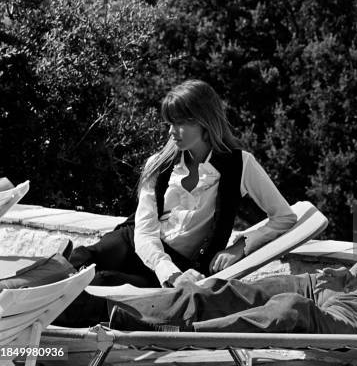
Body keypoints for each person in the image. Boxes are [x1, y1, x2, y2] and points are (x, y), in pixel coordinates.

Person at [106, 144, 357, 334]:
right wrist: (350, 276)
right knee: (229, 289)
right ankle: (125, 318)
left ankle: (175, 338)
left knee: (290, 310)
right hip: (347, 295)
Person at [68, 80, 297, 289]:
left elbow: (284, 216)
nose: (170, 132)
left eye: (178, 123)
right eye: (169, 123)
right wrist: (171, 273)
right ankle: (36, 284)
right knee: (81, 260)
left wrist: (239, 247)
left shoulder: (240, 164)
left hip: (179, 267)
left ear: (204, 120)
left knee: (102, 284)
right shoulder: (158, 164)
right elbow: (145, 232)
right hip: (140, 246)